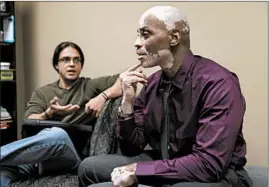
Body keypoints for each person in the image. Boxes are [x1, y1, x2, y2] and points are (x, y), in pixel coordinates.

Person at [78, 6, 253, 187]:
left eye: (145, 35)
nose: (136, 43)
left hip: (218, 173)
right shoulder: (152, 84)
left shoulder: (218, 83)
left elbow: (210, 164)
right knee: (89, 167)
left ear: (174, 37)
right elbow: (132, 147)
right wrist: (127, 102)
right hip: (167, 160)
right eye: (138, 35)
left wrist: (139, 171)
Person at [0, 41, 130, 187]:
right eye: (65, 60)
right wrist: (48, 113)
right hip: (39, 158)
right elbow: (29, 119)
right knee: (3, 174)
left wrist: (102, 97)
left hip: (70, 156)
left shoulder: (89, 86)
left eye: (77, 60)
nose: (72, 64)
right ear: (57, 64)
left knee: (58, 135)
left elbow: (126, 78)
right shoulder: (43, 92)